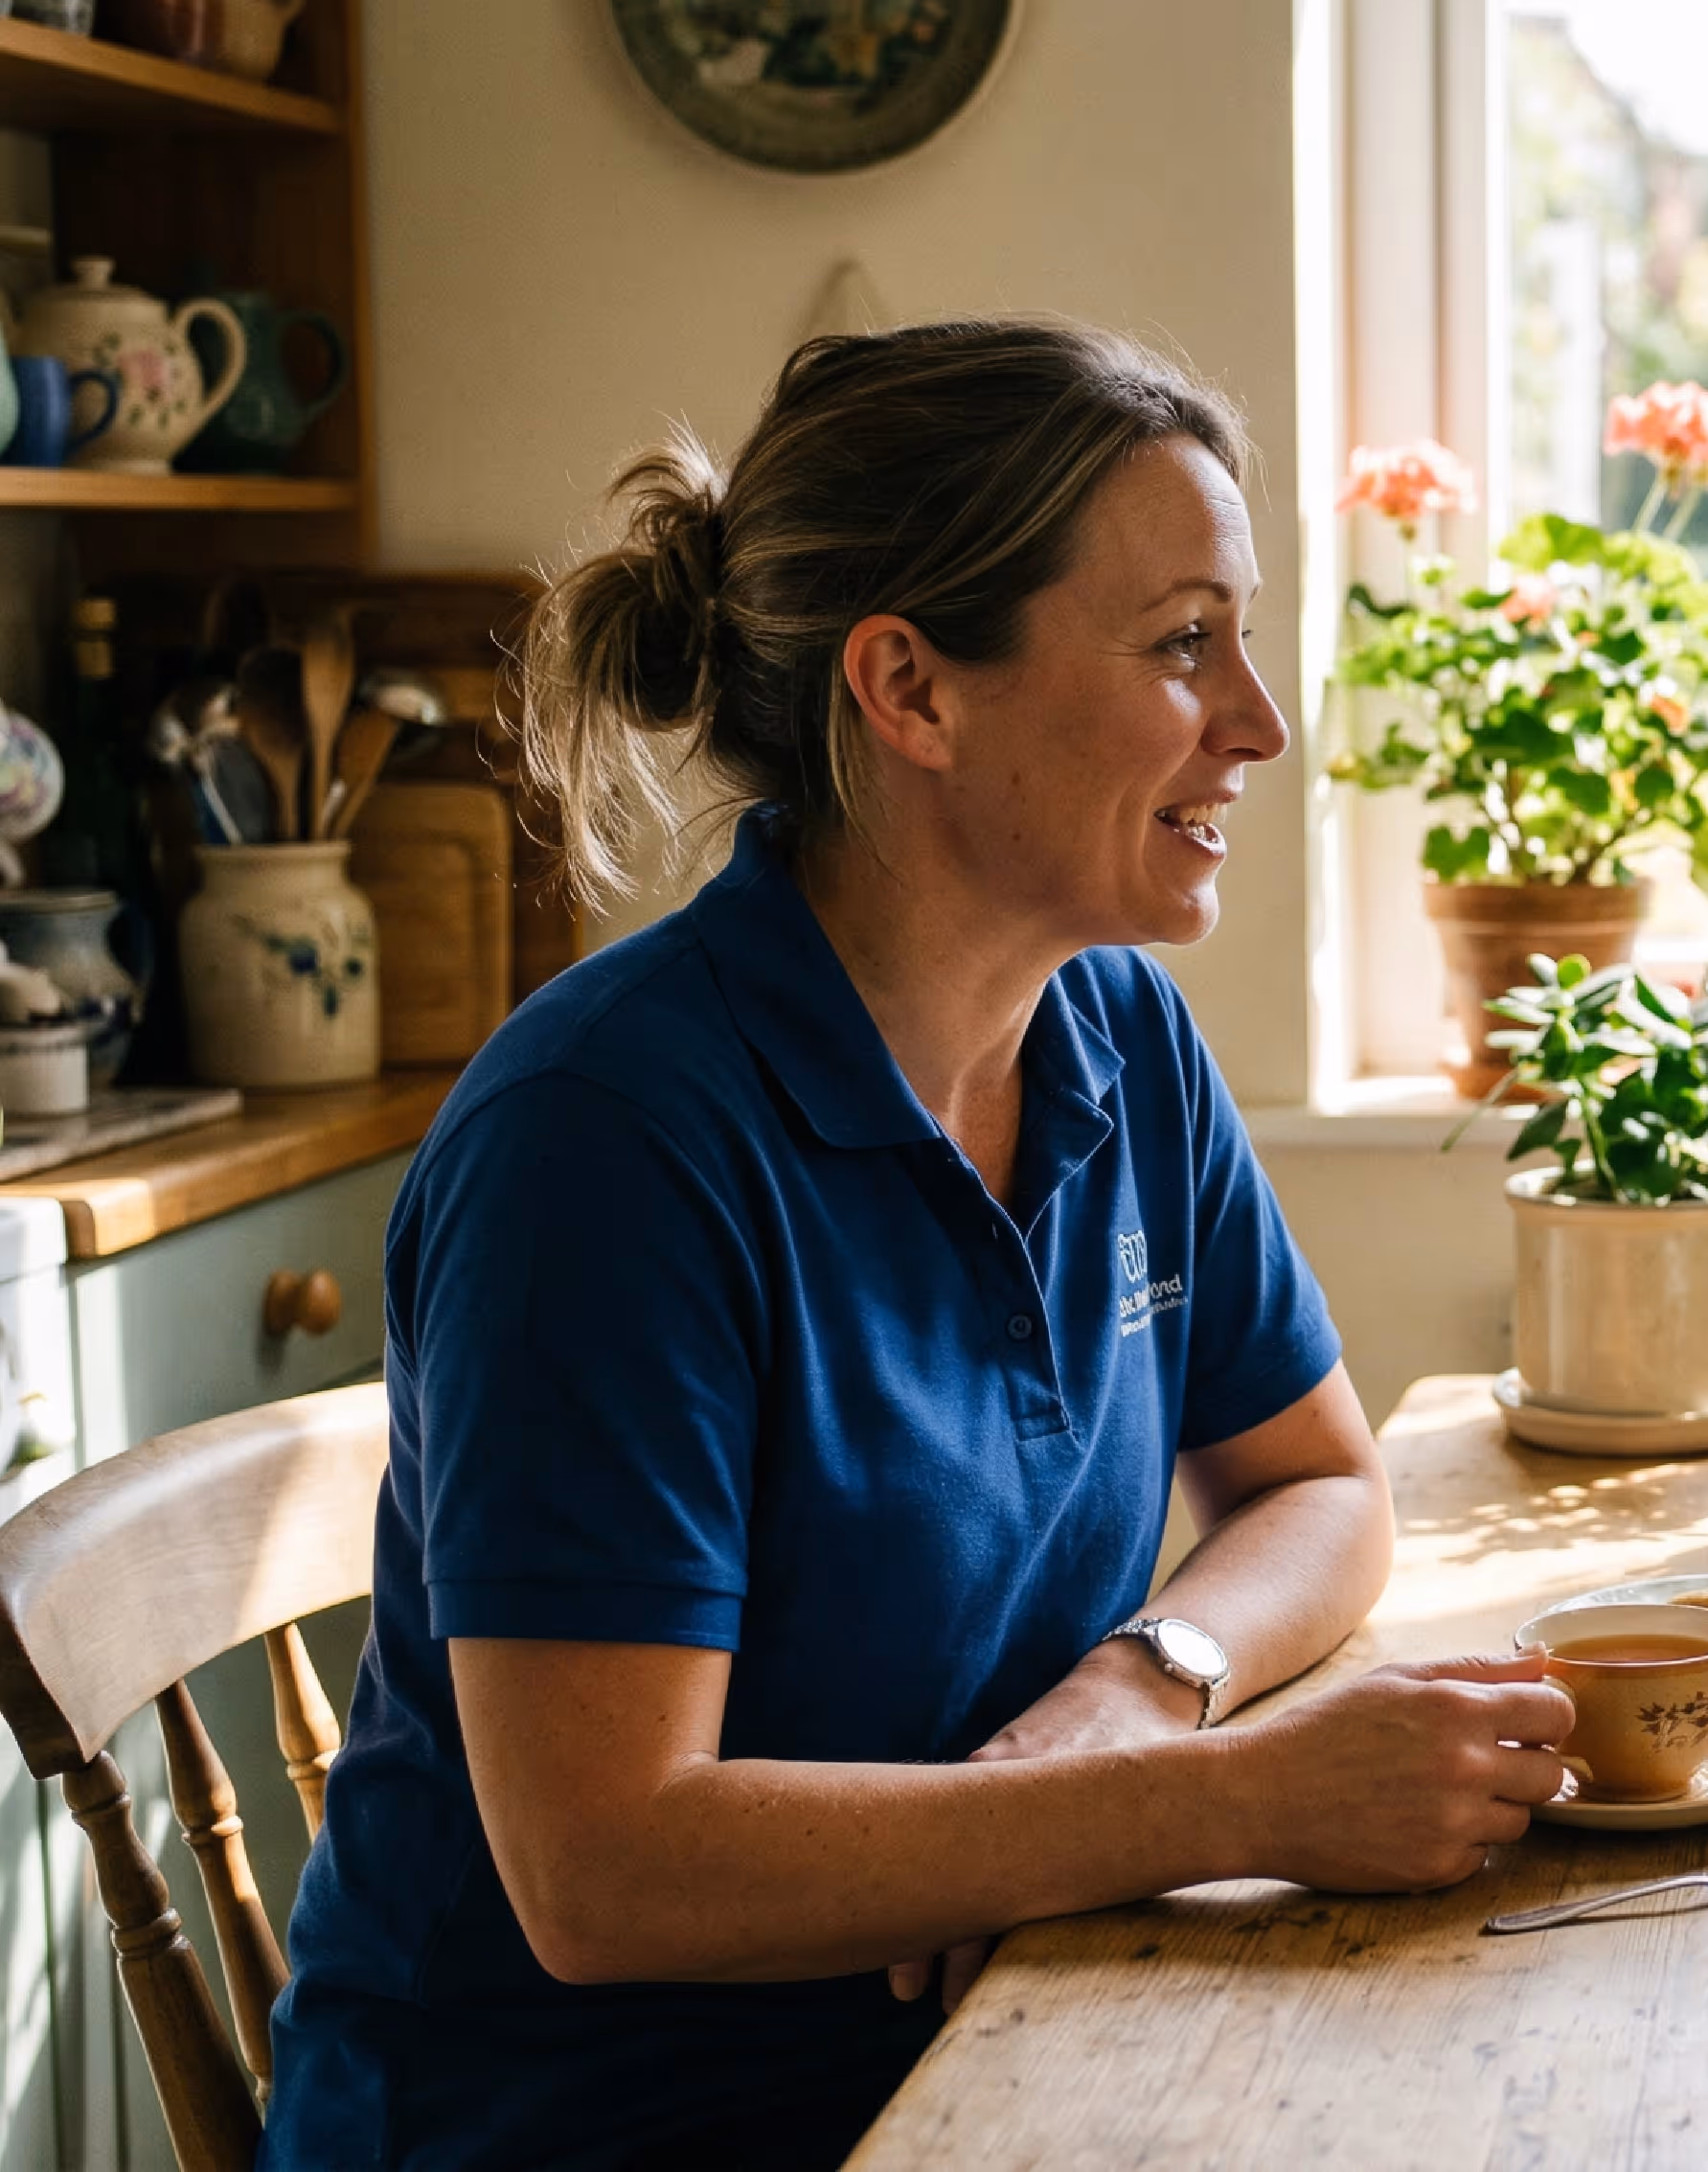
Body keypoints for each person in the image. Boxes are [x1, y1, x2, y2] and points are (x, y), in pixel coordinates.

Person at [266, 321, 1574, 2169]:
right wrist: (1218, 1803)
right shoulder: (604, 1142)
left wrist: (1140, 1695)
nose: (1259, 721)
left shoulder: (1113, 1028)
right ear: (911, 688)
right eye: (1183, 642)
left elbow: (1324, 1487)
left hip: (1016, 2032)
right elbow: (603, 1868)